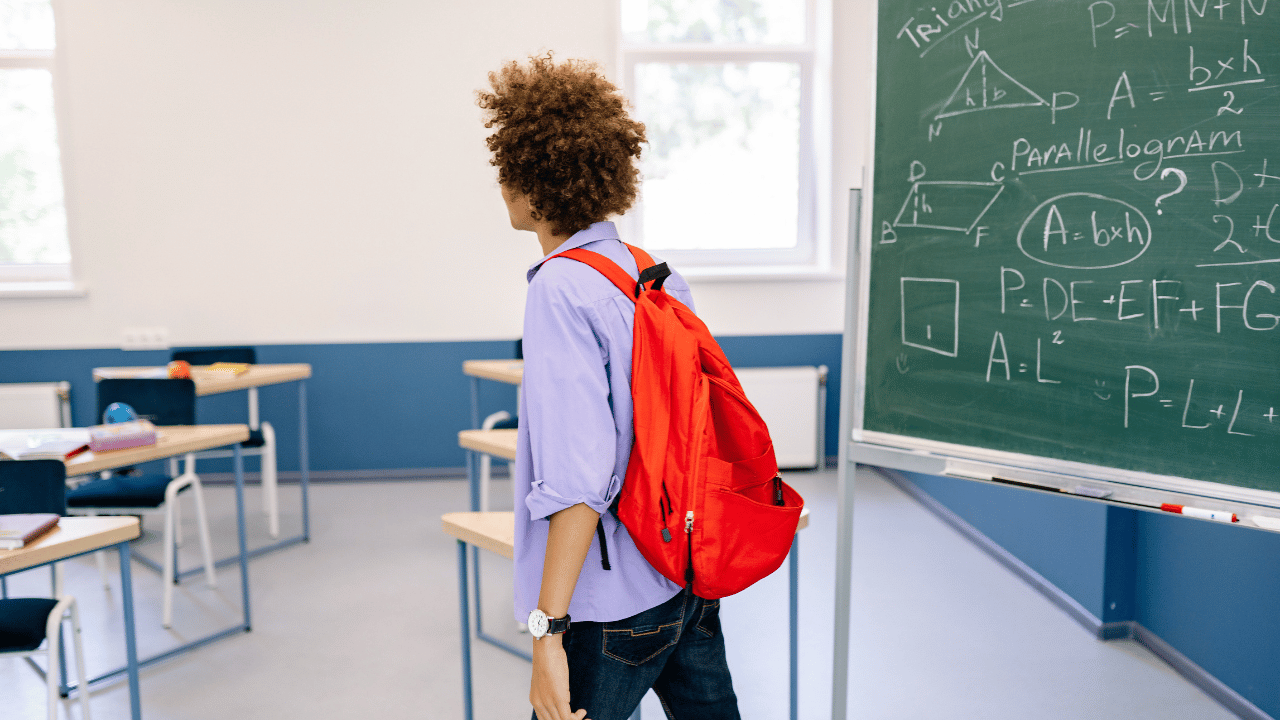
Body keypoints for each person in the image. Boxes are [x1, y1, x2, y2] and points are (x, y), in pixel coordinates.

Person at [477, 54, 742, 720]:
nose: (501, 185)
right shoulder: (651, 273)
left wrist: (548, 632)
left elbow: (579, 477)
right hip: (682, 577)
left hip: (609, 605)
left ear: (536, 188)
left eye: (507, 170)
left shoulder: (561, 289)